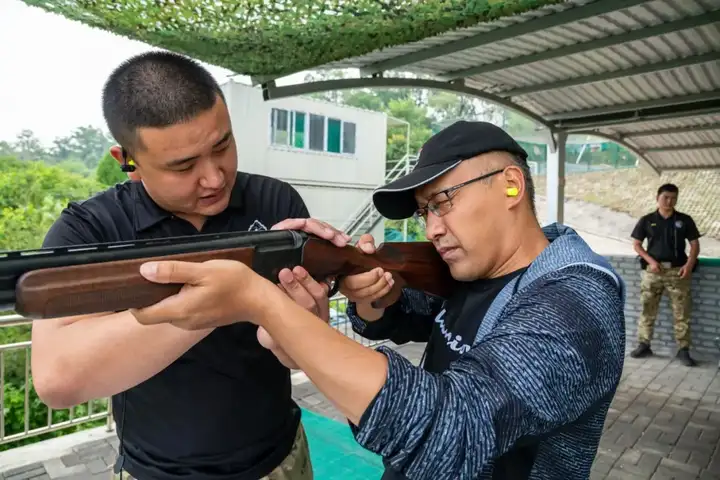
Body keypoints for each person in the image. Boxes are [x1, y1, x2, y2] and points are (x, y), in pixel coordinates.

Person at [127, 121, 627, 480]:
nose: (432, 228)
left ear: (512, 185)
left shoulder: (576, 296)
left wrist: (263, 302)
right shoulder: (480, 265)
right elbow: (413, 314)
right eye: (424, 212)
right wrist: (366, 293)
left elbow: (454, 432)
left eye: (442, 203)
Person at [31, 51, 350, 480]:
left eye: (222, 146)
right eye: (183, 166)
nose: (215, 178)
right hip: (155, 472)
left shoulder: (276, 203)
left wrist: (303, 319)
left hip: (281, 459)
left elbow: (298, 357)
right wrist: (233, 294)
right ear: (127, 161)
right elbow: (58, 380)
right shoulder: (92, 229)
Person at [629, 183, 701, 366]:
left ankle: (683, 349)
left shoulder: (684, 220)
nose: (669, 201)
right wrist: (651, 261)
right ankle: (644, 344)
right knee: (647, 309)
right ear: (657, 198)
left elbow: (694, 244)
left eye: (673, 198)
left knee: (682, 311)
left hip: (678, 272)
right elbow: (637, 244)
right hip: (653, 272)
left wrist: (689, 264)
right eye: (666, 197)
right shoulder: (647, 220)